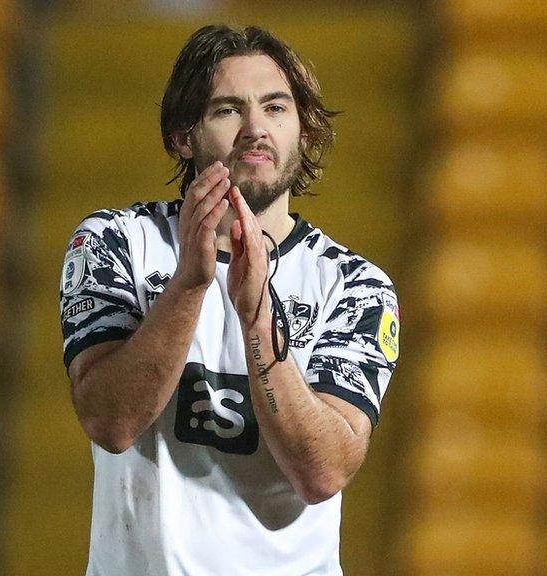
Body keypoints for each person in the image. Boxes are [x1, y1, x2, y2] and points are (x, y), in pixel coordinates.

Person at [58, 24, 401, 576]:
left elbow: (323, 473)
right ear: (181, 135)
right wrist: (189, 287)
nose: (255, 129)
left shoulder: (356, 285)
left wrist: (257, 320)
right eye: (227, 110)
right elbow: (110, 421)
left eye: (275, 108)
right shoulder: (113, 242)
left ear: (304, 131)